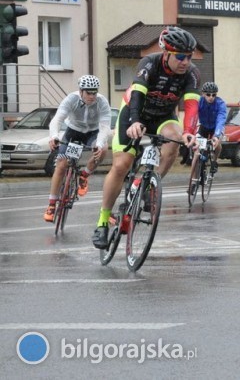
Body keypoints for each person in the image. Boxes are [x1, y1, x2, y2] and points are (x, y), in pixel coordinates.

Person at [91, 26, 200, 249]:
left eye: (189, 57)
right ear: (166, 53)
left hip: (162, 117)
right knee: (121, 165)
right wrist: (134, 122)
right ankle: (103, 221)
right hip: (134, 112)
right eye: (180, 56)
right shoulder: (149, 63)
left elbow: (191, 106)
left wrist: (189, 131)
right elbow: (138, 95)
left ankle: (151, 184)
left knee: (175, 140)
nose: (185, 62)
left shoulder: (192, 74)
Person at [43, 75, 112, 222]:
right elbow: (57, 119)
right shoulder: (71, 99)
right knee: (61, 165)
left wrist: (99, 144)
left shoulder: (102, 102)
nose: (92, 96)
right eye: (88, 92)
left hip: (92, 133)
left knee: (104, 149)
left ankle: (84, 176)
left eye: (94, 92)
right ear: (81, 91)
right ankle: (51, 204)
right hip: (73, 131)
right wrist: (54, 136)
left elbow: (105, 127)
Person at [189, 81, 227, 175]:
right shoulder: (199, 102)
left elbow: (221, 119)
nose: (211, 97)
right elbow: (193, 115)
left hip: (216, 127)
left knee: (216, 144)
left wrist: (217, 135)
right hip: (203, 126)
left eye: (214, 95)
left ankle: (214, 161)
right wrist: (190, 130)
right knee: (197, 152)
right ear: (203, 94)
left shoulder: (220, 104)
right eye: (208, 94)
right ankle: (192, 181)